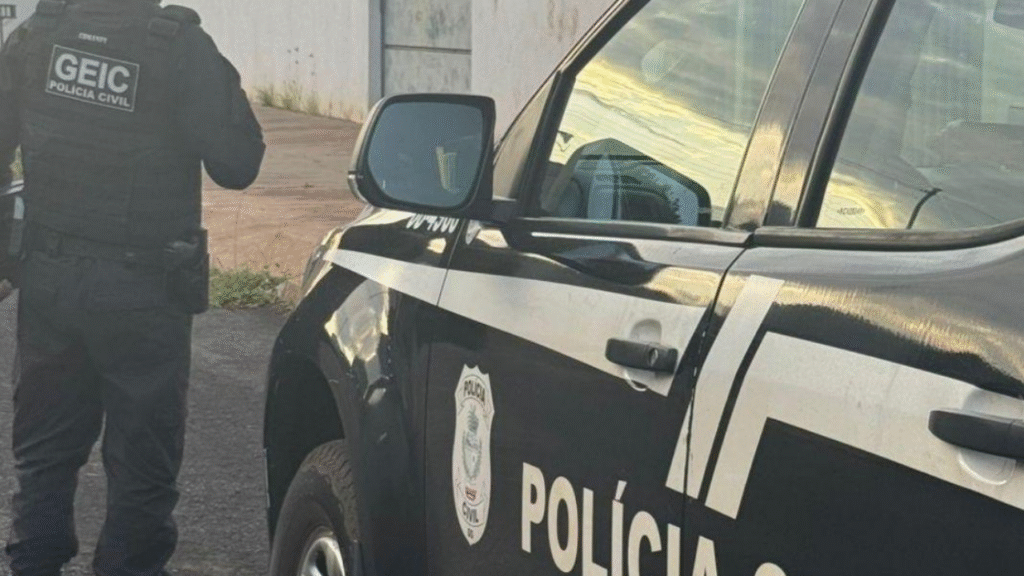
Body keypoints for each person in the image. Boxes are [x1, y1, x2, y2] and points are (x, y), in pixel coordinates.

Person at [0, 0, 266, 575]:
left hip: (50, 282)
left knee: (43, 458)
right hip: (144, 292)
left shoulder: (36, 37)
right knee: (143, 467)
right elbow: (239, 162)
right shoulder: (177, 45)